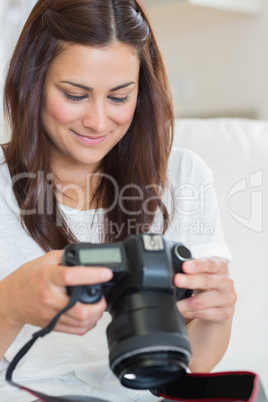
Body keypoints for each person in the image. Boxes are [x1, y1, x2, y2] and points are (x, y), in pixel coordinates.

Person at [0, 0, 237, 401]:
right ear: (32, 84)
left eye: (119, 96)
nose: (97, 121)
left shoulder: (182, 176)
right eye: (75, 94)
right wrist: (9, 306)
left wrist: (214, 316)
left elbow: (194, 368)